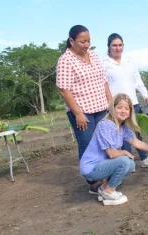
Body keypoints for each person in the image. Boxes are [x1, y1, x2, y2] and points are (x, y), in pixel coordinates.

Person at [79, 93, 148, 206]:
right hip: (91, 168)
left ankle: (103, 188)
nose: (123, 111)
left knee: (130, 164)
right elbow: (111, 153)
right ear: (112, 108)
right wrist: (124, 152)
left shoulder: (122, 127)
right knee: (125, 161)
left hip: (101, 165)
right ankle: (108, 191)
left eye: (127, 108)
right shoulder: (105, 125)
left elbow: (136, 142)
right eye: (119, 107)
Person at [56, 25, 112, 194]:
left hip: (102, 107)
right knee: (88, 146)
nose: (86, 44)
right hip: (83, 112)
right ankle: (93, 182)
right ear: (72, 41)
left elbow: (103, 80)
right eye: (82, 41)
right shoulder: (66, 60)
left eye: (88, 40)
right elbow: (64, 90)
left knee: (105, 142)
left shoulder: (94, 55)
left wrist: (111, 103)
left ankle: (105, 175)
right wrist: (78, 113)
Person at [101, 33, 148, 168]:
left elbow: (137, 81)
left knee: (136, 132)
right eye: (114, 45)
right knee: (121, 135)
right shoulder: (104, 64)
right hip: (116, 106)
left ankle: (145, 159)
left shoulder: (129, 61)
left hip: (133, 103)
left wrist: (145, 95)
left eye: (120, 45)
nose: (117, 48)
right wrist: (109, 103)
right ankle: (128, 162)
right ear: (109, 47)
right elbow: (103, 85)